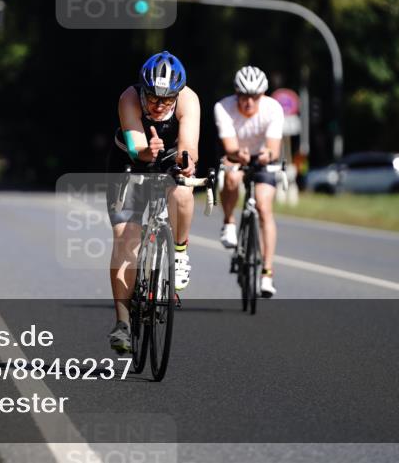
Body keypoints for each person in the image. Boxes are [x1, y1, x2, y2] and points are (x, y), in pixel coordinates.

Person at [105, 51, 200, 354]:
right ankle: (122, 322)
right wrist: (149, 150)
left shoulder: (188, 100)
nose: (159, 106)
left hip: (169, 159)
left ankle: (180, 252)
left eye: (166, 100)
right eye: (153, 98)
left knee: (183, 192)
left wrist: (185, 163)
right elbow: (137, 147)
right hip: (129, 163)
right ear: (142, 91)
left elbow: (188, 145)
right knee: (125, 237)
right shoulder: (129, 98)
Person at [214, 65, 284, 297]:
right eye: (244, 97)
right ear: (237, 94)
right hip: (237, 155)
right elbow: (230, 147)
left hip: (263, 158)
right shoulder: (223, 107)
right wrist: (238, 155)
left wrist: (267, 156)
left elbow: (274, 149)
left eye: (254, 97)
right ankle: (229, 223)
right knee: (232, 177)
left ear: (262, 95)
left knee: (264, 207)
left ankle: (267, 273)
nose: (249, 103)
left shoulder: (273, 108)